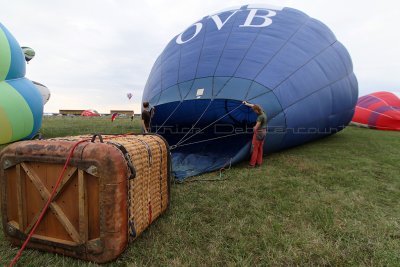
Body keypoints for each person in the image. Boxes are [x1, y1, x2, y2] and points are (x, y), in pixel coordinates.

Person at [242, 101, 267, 167]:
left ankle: (252, 164)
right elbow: (253, 105)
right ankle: (259, 162)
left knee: (255, 148)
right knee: (260, 147)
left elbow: (256, 127)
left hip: (259, 133)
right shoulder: (263, 113)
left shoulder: (260, 117)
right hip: (264, 132)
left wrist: (253, 128)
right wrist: (246, 104)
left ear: (257, 110)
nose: (254, 112)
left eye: (254, 111)